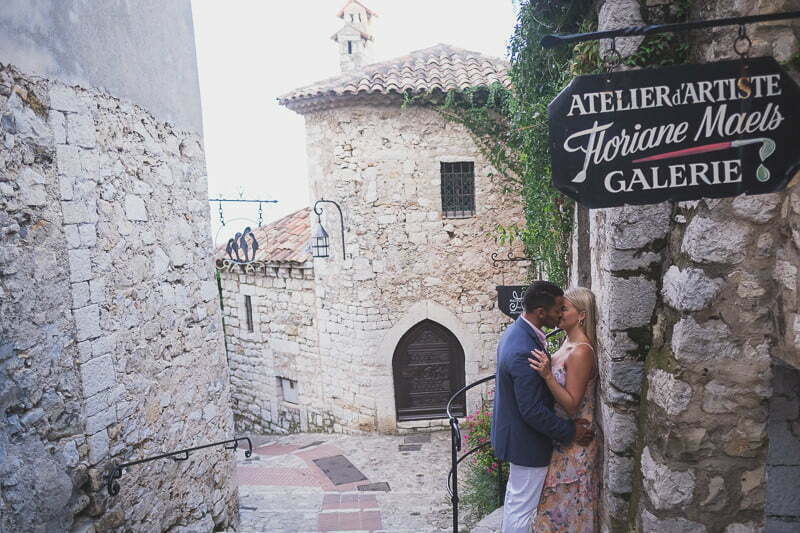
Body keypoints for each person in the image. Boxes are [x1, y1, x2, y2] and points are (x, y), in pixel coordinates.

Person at [491, 281, 593, 533]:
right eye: (558, 308)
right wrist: (570, 431)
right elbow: (532, 410)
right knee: (521, 510)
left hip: (525, 438)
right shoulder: (524, 348)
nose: (560, 313)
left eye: (564, 308)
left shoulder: (519, 334)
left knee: (518, 504)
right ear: (540, 312)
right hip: (527, 440)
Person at [529, 287, 600, 532]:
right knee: (553, 516)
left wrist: (547, 375)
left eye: (564, 308)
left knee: (566, 516)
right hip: (562, 439)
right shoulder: (566, 343)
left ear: (581, 315)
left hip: (575, 443)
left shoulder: (581, 351)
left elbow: (572, 405)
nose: (558, 313)